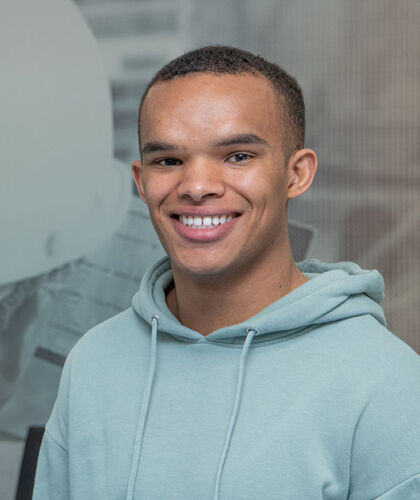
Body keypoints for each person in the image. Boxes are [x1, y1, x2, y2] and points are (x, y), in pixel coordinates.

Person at [33, 46, 420, 499]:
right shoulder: (93, 361)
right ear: (140, 181)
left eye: (238, 156)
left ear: (296, 174)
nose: (197, 187)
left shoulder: (387, 383)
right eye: (168, 160)